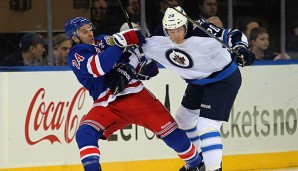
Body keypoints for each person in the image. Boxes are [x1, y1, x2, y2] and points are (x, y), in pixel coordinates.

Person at [64, 16, 204, 171]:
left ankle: (196, 164)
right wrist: (122, 41)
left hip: (137, 96)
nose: (89, 33)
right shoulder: (76, 54)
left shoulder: (104, 39)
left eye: (89, 28)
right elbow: (99, 66)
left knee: (170, 132)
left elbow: (129, 56)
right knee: (85, 133)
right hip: (108, 104)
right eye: (84, 31)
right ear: (75, 37)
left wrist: (137, 68)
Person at [130, 6, 255, 171]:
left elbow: (234, 35)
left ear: (186, 25)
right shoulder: (160, 35)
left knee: (207, 125)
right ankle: (198, 164)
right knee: (183, 118)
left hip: (223, 80)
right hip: (197, 82)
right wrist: (132, 66)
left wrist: (241, 48)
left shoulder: (203, 30)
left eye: (179, 30)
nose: (176, 35)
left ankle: (213, 168)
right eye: (171, 31)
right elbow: (142, 51)